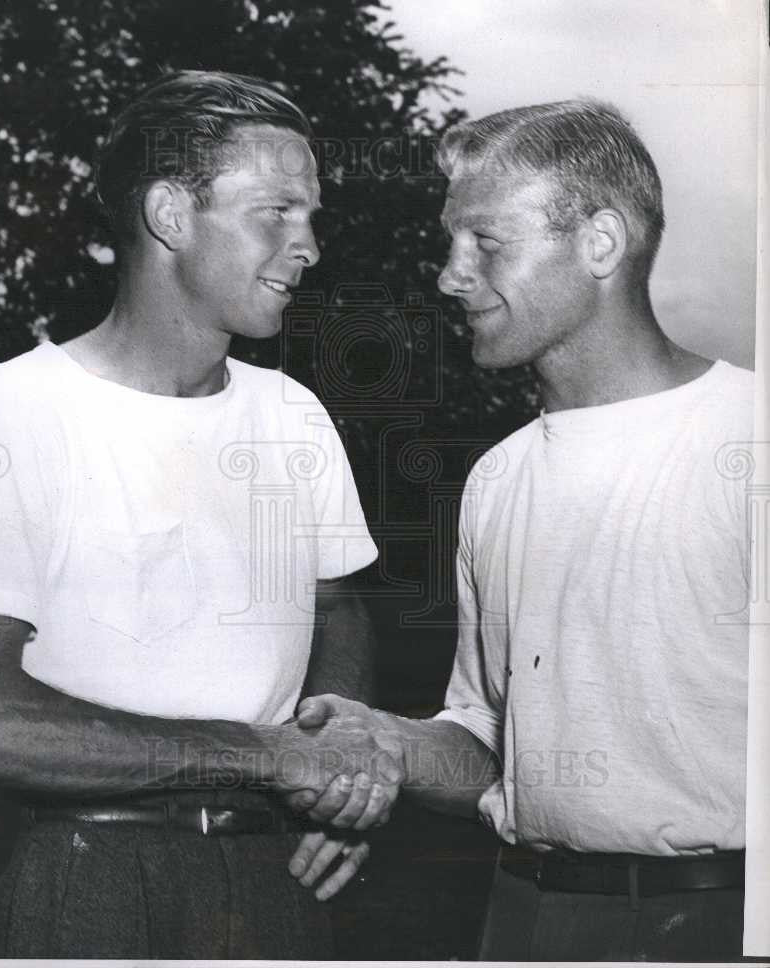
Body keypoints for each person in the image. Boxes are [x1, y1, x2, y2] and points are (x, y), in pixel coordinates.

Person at [292, 99, 754, 961]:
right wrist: (384, 742)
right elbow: (486, 743)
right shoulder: (497, 480)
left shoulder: (748, 441)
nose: (448, 276)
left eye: (486, 243)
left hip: (722, 923)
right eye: (450, 243)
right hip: (522, 919)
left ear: (600, 243)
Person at [0, 70, 405, 959]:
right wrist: (268, 756)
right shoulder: (4, 414)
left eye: (312, 216)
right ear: (172, 215)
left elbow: (338, 605)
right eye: (277, 211)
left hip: (274, 872)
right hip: (83, 869)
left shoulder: (293, 414)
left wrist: (343, 758)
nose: (309, 246)